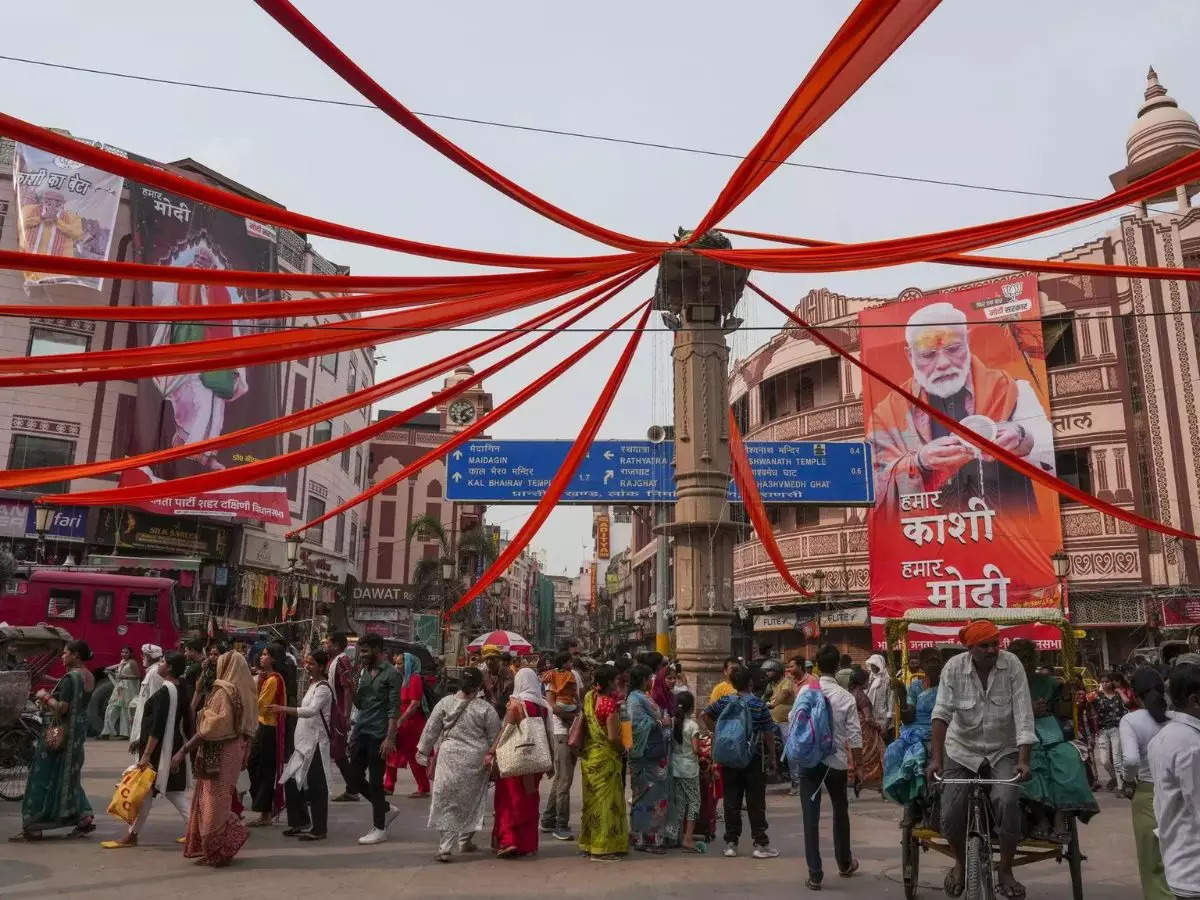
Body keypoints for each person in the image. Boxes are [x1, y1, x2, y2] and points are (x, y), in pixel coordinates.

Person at [869, 300, 1054, 516]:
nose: (943, 364)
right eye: (928, 355)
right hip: (929, 540)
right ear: (910, 356)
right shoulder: (888, 414)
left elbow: (1052, 457)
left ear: (968, 341)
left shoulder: (1010, 391)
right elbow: (868, 485)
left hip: (1012, 535)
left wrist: (1023, 436)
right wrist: (919, 462)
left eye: (953, 349)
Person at [928, 620, 1035, 899]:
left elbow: (1024, 715)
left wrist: (1024, 760)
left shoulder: (1011, 665)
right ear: (970, 648)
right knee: (950, 814)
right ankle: (961, 864)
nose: (991, 650)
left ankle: (1007, 869)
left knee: (1007, 800)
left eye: (995, 644)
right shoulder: (953, 668)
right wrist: (936, 760)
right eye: (984, 646)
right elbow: (940, 715)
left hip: (1002, 748)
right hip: (961, 749)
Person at [173, 649, 257, 867]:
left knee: (213, 803)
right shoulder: (246, 690)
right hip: (233, 750)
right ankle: (215, 849)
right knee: (216, 799)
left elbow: (210, 727)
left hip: (220, 752)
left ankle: (222, 847)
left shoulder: (224, 691)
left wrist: (184, 750)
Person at [101, 651, 193, 849]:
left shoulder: (165, 692)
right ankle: (133, 835)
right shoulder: (179, 688)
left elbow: (157, 727)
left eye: (162, 661)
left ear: (168, 668)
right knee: (151, 795)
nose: (159, 664)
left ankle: (198, 832)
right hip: (168, 747)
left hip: (160, 752)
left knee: (164, 794)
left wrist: (146, 755)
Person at [1006, 639, 1098, 834]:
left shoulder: (1049, 683)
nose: (1024, 663)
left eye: (1028, 659)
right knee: (1031, 763)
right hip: (1016, 733)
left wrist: (1066, 694)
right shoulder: (1002, 684)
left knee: (1068, 759)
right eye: (1020, 659)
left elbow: (1063, 711)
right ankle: (1040, 818)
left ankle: (1059, 818)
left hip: (1050, 732)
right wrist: (1026, 710)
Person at [12, 640, 95, 841]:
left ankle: (34, 824)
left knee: (43, 775)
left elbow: (63, 708)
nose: (62, 657)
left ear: (76, 655)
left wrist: (44, 697)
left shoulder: (70, 679)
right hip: (76, 734)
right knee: (69, 776)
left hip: (58, 732)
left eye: (65, 653)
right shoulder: (89, 676)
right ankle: (83, 817)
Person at [796, 644, 863, 889]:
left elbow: (795, 721)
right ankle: (844, 862)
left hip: (809, 761)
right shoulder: (846, 697)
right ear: (837, 667)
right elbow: (855, 736)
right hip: (836, 762)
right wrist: (860, 766)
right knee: (840, 811)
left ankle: (815, 874)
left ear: (815, 665)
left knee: (810, 818)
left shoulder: (805, 692)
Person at [417, 667, 501, 863]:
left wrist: (422, 751)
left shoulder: (445, 703)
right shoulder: (485, 709)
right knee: (471, 802)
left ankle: (445, 847)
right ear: (479, 686)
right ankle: (464, 840)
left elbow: (431, 730)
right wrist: (492, 758)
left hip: (448, 758)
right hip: (475, 761)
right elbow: (495, 737)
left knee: (446, 800)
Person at [702, 664, 779, 860]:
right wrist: (772, 756)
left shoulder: (725, 700)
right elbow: (768, 732)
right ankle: (761, 844)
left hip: (729, 757)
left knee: (731, 800)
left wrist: (717, 733)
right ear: (751, 683)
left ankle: (731, 843)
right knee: (755, 802)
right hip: (753, 758)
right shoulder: (757, 704)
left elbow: (705, 715)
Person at [1119, 667, 1172, 900]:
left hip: (1146, 791)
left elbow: (1130, 760)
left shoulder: (1131, 720)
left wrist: (1128, 782)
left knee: (1151, 857)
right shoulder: (1176, 715)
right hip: (1177, 788)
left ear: (1133, 694)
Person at [1148, 663, 1200, 900]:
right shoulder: (1191, 744)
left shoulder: (1164, 737)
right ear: (1195, 700)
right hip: (1193, 865)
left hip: (1180, 860)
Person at [271, 648, 333, 841]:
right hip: (303, 743)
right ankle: (300, 822)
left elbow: (311, 711)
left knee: (317, 787)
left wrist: (283, 709)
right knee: (290, 781)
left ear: (322, 666)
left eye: (311, 663)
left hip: (316, 743)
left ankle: (319, 829)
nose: (307, 667)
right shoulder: (313, 685)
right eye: (306, 663)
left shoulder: (323, 687)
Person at [491, 667, 552, 858]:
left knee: (509, 799)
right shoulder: (544, 707)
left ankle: (509, 840)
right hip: (534, 762)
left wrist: (492, 750)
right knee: (529, 799)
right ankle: (527, 844)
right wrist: (551, 762)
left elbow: (506, 729)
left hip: (515, 760)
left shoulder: (516, 704)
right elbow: (549, 735)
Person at [347, 633, 402, 845]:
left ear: (378, 650)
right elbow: (361, 704)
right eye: (361, 651)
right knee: (353, 778)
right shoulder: (363, 672)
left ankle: (380, 827)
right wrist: (352, 690)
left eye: (365, 651)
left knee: (377, 782)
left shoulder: (391, 674)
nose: (362, 656)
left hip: (379, 735)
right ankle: (386, 809)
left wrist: (390, 738)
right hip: (361, 731)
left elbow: (393, 709)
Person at [578, 664, 629, 861]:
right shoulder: (608, 705)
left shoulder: (589, 698)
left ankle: (589, 843)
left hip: (590, 758)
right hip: (606, 759)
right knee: (607, 804)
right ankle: (604, 848)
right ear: (609, 682)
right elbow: (613, 738)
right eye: (616, 680)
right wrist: (623, 749)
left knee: (592, 802)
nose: (619, 683)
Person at [884, 648, 942, 808]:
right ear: (922, 665)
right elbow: (908, 714)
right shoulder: (916, 687)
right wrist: (902, 698)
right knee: (894, 750)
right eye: (929, 661)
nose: (933, 664)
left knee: (919, 755)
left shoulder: (947, 685)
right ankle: (911, 803)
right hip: (915, 732)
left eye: (936, 660)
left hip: (939, 732)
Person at [627, 663, 672, 853]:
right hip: (644, 753)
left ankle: (643, 837)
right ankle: (648, 840)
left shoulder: (639, 697)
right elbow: (636, 726)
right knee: (650, 796)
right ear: (644, 680)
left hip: (648, 753)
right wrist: (661, 722)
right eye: (648, 678)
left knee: (645, 795)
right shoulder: (635, 700)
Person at [541, 646, 583, 840]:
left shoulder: (573, 676)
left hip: (571, 729)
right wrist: (572, 715)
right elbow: (553, 705)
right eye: (571, 657)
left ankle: (549, 819)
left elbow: (579, 699)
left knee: (562, 777)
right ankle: (561, 825)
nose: (572, 661)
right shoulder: (552, 679)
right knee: (564, 779)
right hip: (561, 732)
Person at [247, 643, 287, 826]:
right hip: (262, 727)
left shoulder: (273, 680)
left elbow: (261, 705)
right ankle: (264, 810)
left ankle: (265, 812)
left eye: (265, 654)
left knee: (263, 770)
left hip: (267, 729)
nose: (261, 657)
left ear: (273, 659)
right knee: (256, 767)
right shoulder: (266, 678)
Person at [384, 652, 430, 798]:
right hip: (400, 721)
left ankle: (423, 787)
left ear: (408, 664)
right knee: (391, 752)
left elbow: (414, 704)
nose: (396, 666)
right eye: (395, 663)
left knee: (413, 757)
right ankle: (388, 786)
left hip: (411, 724)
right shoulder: (400, 679)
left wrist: (400, 720)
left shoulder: (414, 679)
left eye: (400, 663)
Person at [323, 632, 359, 802]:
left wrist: (345, 714)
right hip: (331, 712)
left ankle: (353, 789)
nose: (325, 646)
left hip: (338, 713)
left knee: (339, 753)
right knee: (334, 752)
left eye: (328, 643)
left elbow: (347, 688)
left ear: (336, 645)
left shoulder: (341, 661)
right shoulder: (333, 660)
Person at [666, 691, 703, 852]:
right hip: (690, 769)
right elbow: (696, 749)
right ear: (691, 707)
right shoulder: (693, 725)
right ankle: (688, 838)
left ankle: (676, 836)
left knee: (679, 802)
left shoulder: (673, 722)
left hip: (675, 767)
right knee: (694, 802)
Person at [1094, 670, 1130, 792]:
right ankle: (1115, 778)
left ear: (1111, 682)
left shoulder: (1118, 695)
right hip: (1102, 731)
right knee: (1104, 761)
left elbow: (1127, 703)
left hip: (1116, 729)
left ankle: (1120, 787)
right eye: (1102, 682)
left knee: (1117, 760)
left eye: (1107, 681)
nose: (1105, 684)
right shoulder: (1096, 696)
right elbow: (1089, 710)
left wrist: (1120, 692)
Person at [849, 667, 884, 791]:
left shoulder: (851, 693)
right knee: (875, 759)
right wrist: (878, 726)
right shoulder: (861, 696)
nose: (868, 682)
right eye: (867, 679)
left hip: (855, 731)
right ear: (862, 681)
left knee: (859, 757)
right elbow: (868, 718)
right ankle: (874, 783)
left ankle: (859, 780)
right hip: (867, 733)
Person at [128, 643, 165, 751]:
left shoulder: (154, 673)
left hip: (146, 732)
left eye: (143, 655)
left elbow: (155, 707)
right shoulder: (152, 671)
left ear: (148, 656)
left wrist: (141, 737)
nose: (142, 657)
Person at [780, 656, 807, 795]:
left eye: (791, 666)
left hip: (806, 726)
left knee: (802, 754)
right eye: (788, 667)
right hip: (791, 723)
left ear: (800, 667)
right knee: (791, 753)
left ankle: (804, 782)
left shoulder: (811, 681)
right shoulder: (790, 682)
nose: (789, 669)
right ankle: (796, 782)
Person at [101, 645, 140, 740]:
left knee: (125, 710)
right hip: (120, 688)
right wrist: (111, 673)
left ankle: (125, 734)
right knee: (111, 708)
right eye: (122, 652)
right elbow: (119, 676)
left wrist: (124, 678)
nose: (123, 654)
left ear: (131, 654)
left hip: (129, 688)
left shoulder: (132, 663)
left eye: (126, 652)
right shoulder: (122, 662)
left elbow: (138, 676)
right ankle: (106, 732)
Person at [480, 644, 514, 718]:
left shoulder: (507, 673)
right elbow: (476, 691)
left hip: (504, 713)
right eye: (487, 659)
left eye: (492, 659)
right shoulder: (483, 674)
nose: (489, 662)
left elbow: (507, 695)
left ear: (498, 659)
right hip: (487, 713)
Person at [865, 653, 894, 738]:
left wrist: (886, 725)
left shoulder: (887, 681)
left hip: (883, 721)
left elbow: (890, 702)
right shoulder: (870, 679)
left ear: (880, 665)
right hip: (871, 721)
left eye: (875, 665)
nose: (873, 667)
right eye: (871, 665)